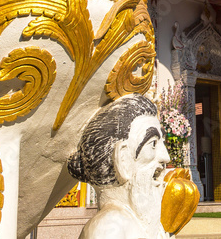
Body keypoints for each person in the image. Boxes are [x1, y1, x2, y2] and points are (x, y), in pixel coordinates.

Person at [69, 95, 173, 239]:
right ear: (123, 160)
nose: (166, 156)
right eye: (153, 144)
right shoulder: (109, 228)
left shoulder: (139, 223)